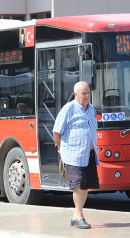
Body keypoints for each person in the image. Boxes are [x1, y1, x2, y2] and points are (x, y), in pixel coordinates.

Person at [53, 81, 100, 229]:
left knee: (85, 186)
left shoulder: (91, 109)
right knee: (78, 186)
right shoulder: (69, 109)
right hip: (74, 154)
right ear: (76, 94)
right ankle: (80, 216)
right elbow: (56, 130)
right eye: (83, 93)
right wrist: (59, 146)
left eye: (88, 93)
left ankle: (75, 216)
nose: (86, 96)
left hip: (89, 154)